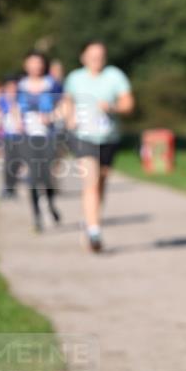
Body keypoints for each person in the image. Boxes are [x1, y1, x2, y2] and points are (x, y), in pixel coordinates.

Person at [62, 41, 134, 252]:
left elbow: (128, 104)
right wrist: (70, 117)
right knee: (91, 182)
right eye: (92, 56)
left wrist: (112, 107)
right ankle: (94, 231)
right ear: (83, 57)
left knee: (101, 182)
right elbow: (67, 101)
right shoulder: (75, 78)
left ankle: (91, 221)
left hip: (108, 137)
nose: (97, 60)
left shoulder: (115, 76)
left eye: (100, 56)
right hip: (83, 136)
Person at [17, 51, 62, 231]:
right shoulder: (21, 85)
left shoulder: (53, 84)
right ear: (26, 65)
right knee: (32, 177)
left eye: (38, 63)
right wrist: (17, 121)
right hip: (28, 136)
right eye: (32, 63)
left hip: (48, 135)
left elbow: (64, 105)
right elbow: (15, 106)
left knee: (47, 176)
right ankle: (36, 217)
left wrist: (52, 116)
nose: (35, 66)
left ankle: (50, 205)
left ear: (43, 65)